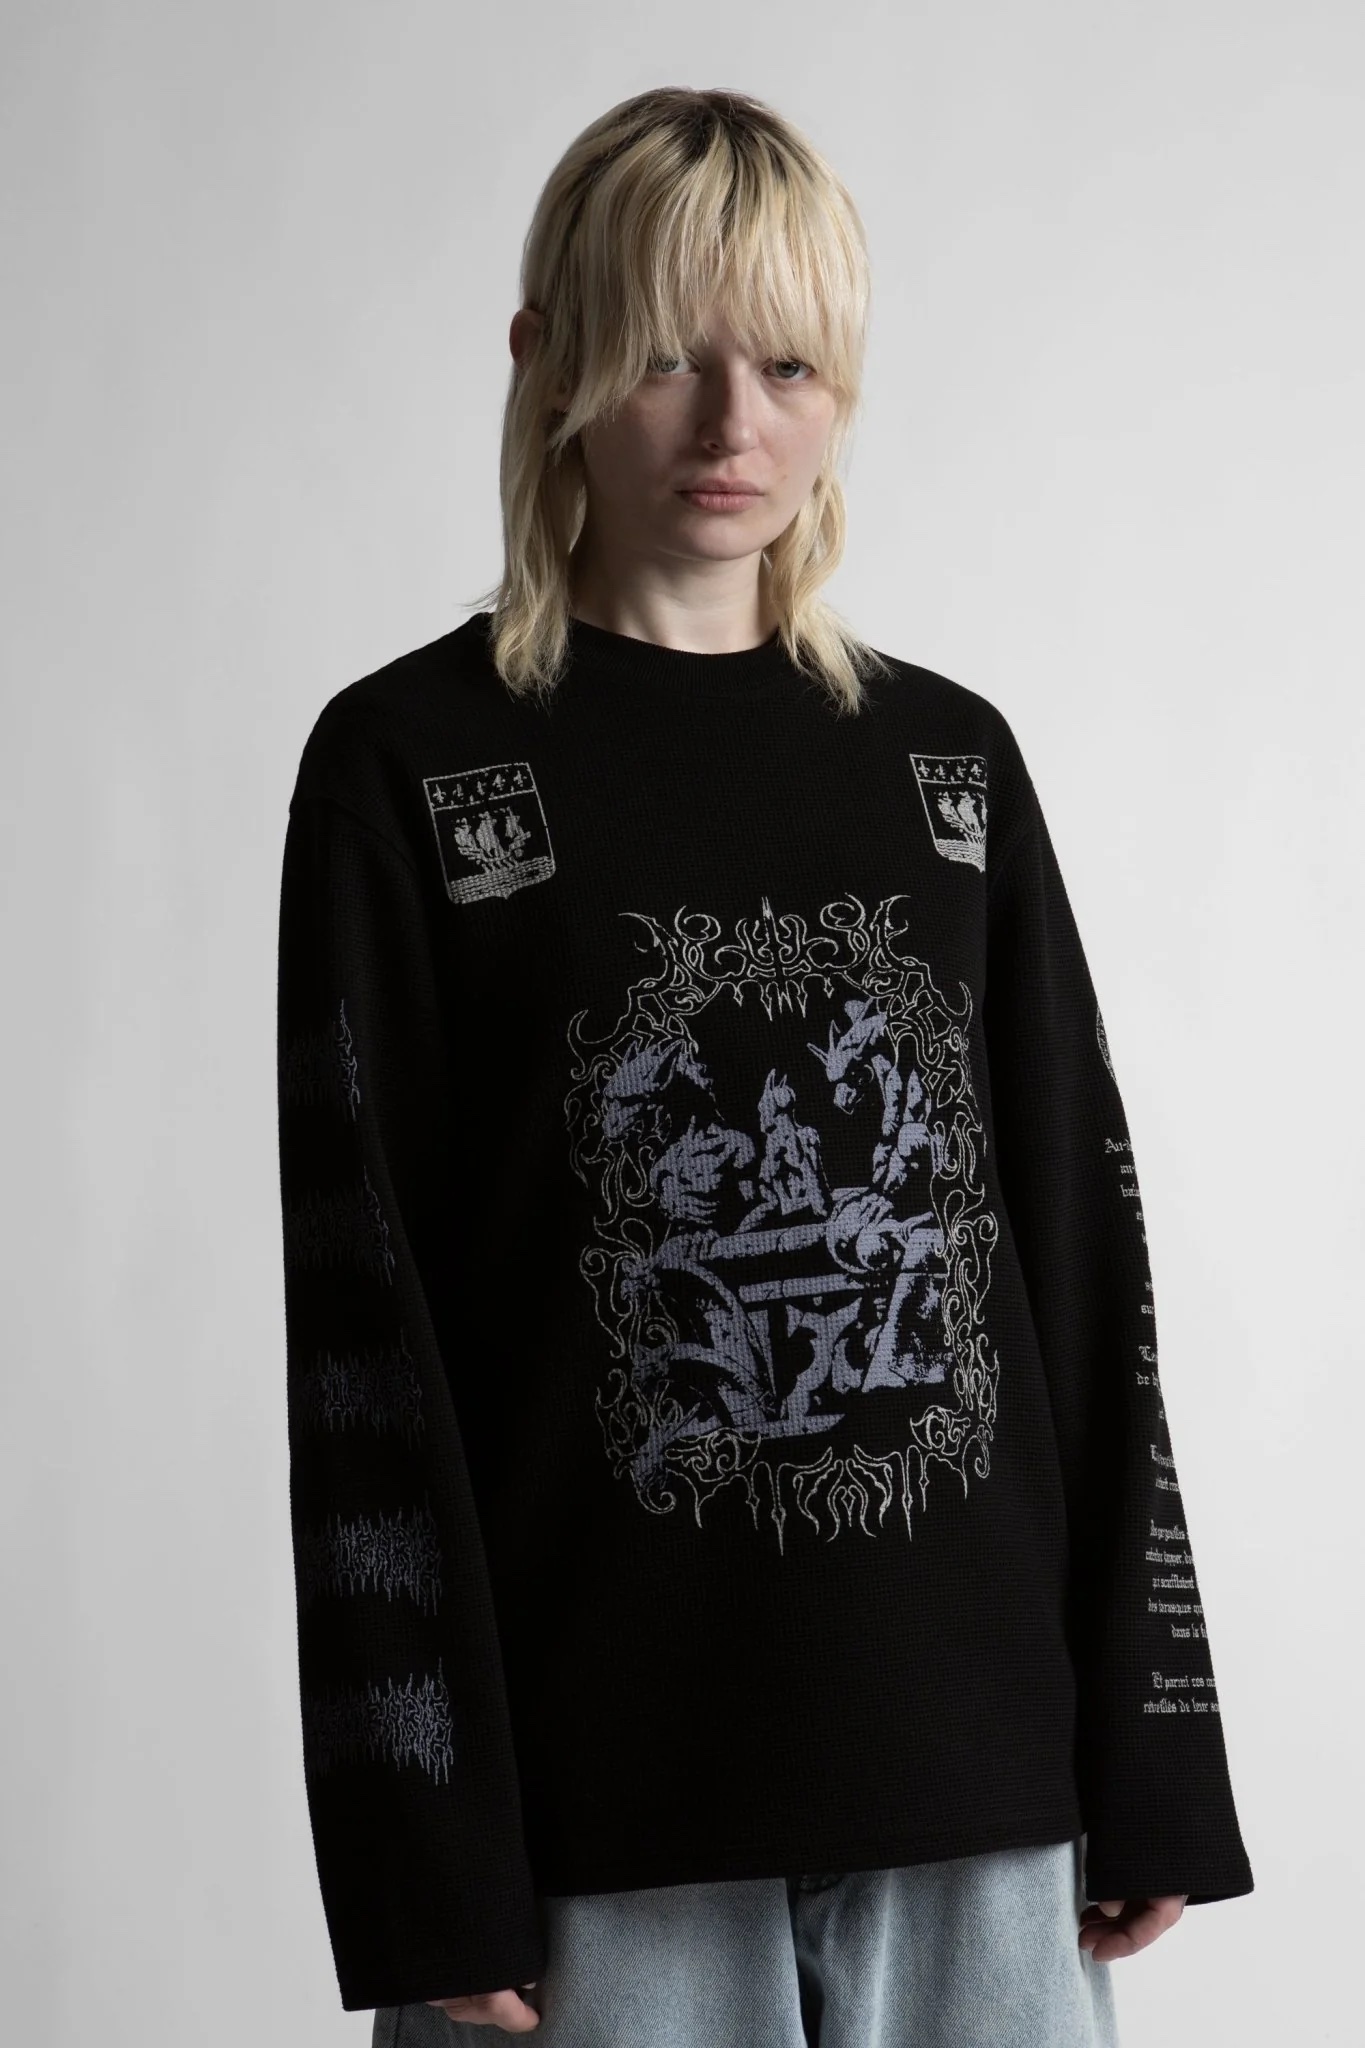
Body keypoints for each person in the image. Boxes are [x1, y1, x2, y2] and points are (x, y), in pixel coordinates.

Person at [275, 87, 1252, 2046]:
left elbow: (1080, 1270)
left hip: (977, 1787)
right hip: (598, 1819)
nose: (733, 425)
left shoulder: (945, 768)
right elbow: (366, 1342)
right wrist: (418, 1847)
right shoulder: (409, 769)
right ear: (545, 359)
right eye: (664, 356)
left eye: (789, 365)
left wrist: (1153, 1740)